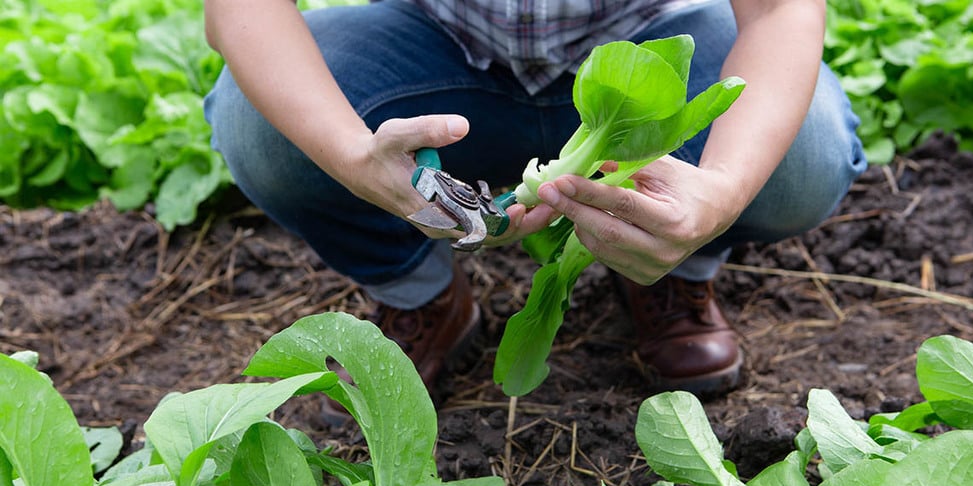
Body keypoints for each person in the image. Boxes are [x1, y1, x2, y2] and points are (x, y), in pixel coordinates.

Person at [202, 0, 866, 395]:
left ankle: (668, 264)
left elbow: (781, 10)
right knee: (259, 124)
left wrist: (721, 191)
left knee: (801, 154)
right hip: (438, 51)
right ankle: (422, 294)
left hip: (647, 55)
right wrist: (350, 154)